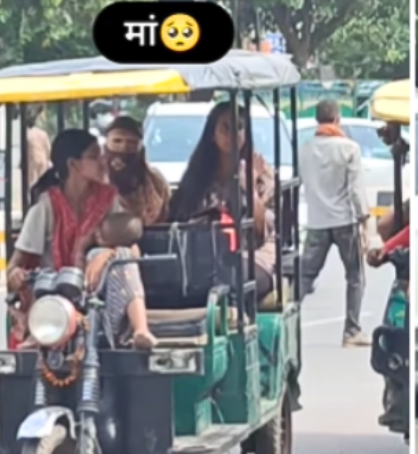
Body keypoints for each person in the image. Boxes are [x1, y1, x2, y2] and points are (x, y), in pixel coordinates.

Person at [8, 129, 155, 348]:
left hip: (101, 306)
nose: (103, 162)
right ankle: (38, 338)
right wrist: (16, 275)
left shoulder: (109, 200)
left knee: (122, 255)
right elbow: (13, 268)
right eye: (94, 157)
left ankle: (141, 329)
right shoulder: (46, 208)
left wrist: (107, 254)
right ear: (74, 165)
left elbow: (133, 251)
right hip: (54, 311)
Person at [166, 102, 276, 301]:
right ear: (212, 134)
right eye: (226, 127)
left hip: (253, 257)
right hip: (203, 258)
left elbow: (261, 232)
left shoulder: (262, 174)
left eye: (239, 127)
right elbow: (180, 218)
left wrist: (249, 187)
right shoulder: (198, 178)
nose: (233, 134)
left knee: (231, 274)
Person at [298, 100, 371, 347]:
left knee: (305, 277)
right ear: (337, 119)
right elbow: (356, 190)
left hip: (317, 222)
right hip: (344, 222)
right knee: (355, 276)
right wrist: (365, 222)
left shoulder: (305, 149)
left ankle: (289, 318)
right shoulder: (349, 148)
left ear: (318, 120)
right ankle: (352, 331)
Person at [102, 116, 171, 225]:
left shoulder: (155, 180)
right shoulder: (95, 179)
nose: (123, 147)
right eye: (117, 141)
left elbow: (166, 215)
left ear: (140, 146)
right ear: (106, 143)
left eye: (131, 142)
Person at [25, 105, 52, 188]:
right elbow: (49, 150)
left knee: (32, 182)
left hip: (32, 161)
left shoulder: (27, 134)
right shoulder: (43, 134)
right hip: (43, 160)